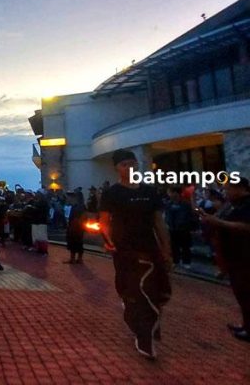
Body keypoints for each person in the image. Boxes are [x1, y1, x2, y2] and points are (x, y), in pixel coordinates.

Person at [99, 149, 172, 360]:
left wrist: (166, 250)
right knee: (134, 291)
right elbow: (104, 222)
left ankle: (147, 326)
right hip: (124, 250)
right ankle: (144, 335)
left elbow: (159, 222)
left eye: (132, 164)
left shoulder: (150, 191)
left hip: (149, 247)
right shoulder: (112, 193)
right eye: (124, 165)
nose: (129, 168)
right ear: (117, 168)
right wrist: (108, 241)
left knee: (156, 290)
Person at [198, 177, 250, 343]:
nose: (225, 192)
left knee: (246, 293)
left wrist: (218, 222)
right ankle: (246, 325)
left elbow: (245, 226)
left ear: (240, 188)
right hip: (233, 255)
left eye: (229, 189)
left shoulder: (247, 204)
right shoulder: (232, 205)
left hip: (245, 256)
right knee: (241, 294)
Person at [165, 187, 196, 269]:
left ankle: (186, 262)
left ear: (177, 193)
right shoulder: (168, 204)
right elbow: (167, 215)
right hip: (172, 228)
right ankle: (176, 261)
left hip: (184, 228)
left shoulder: (186, 204)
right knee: (174, 246)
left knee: (185, 246)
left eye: (172, 192)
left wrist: (190, 226)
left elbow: (190, 216)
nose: (171, 195)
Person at [63, 191, 87, 264]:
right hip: (80, 227)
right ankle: (79, 259)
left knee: (73, 242)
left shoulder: (76, 206)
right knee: (79, 243)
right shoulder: (83, 206)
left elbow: (74, 217)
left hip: (74, 227)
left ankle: (73, 259)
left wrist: (70, 224)